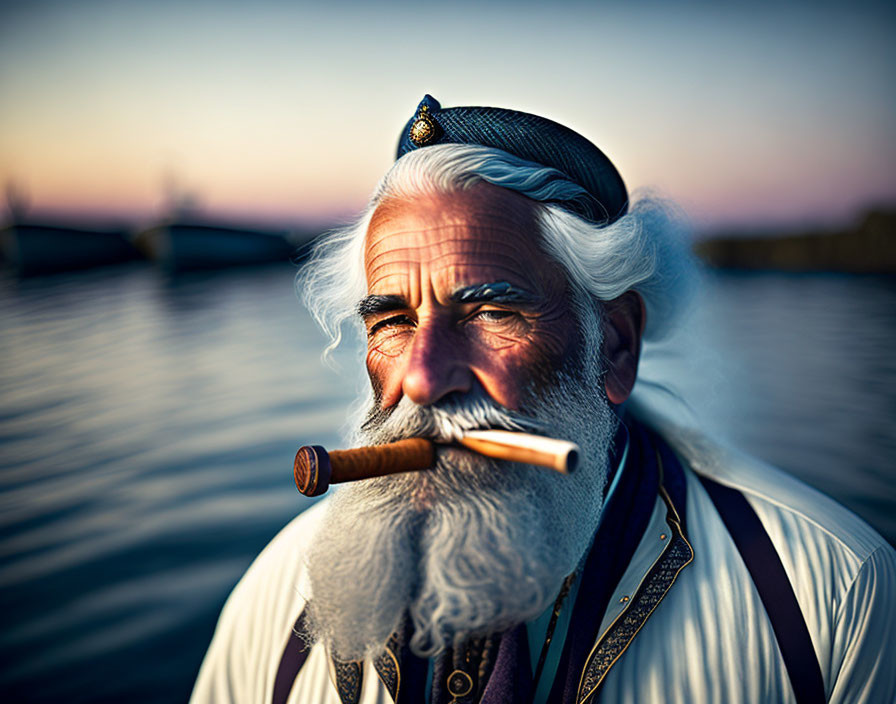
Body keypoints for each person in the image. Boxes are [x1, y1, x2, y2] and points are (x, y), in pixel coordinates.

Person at [191, 96, 896, 704]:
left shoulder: (827, 596)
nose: (424, 379)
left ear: (614, 346)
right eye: (393, 321)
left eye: (492, 313)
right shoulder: (284, 589)